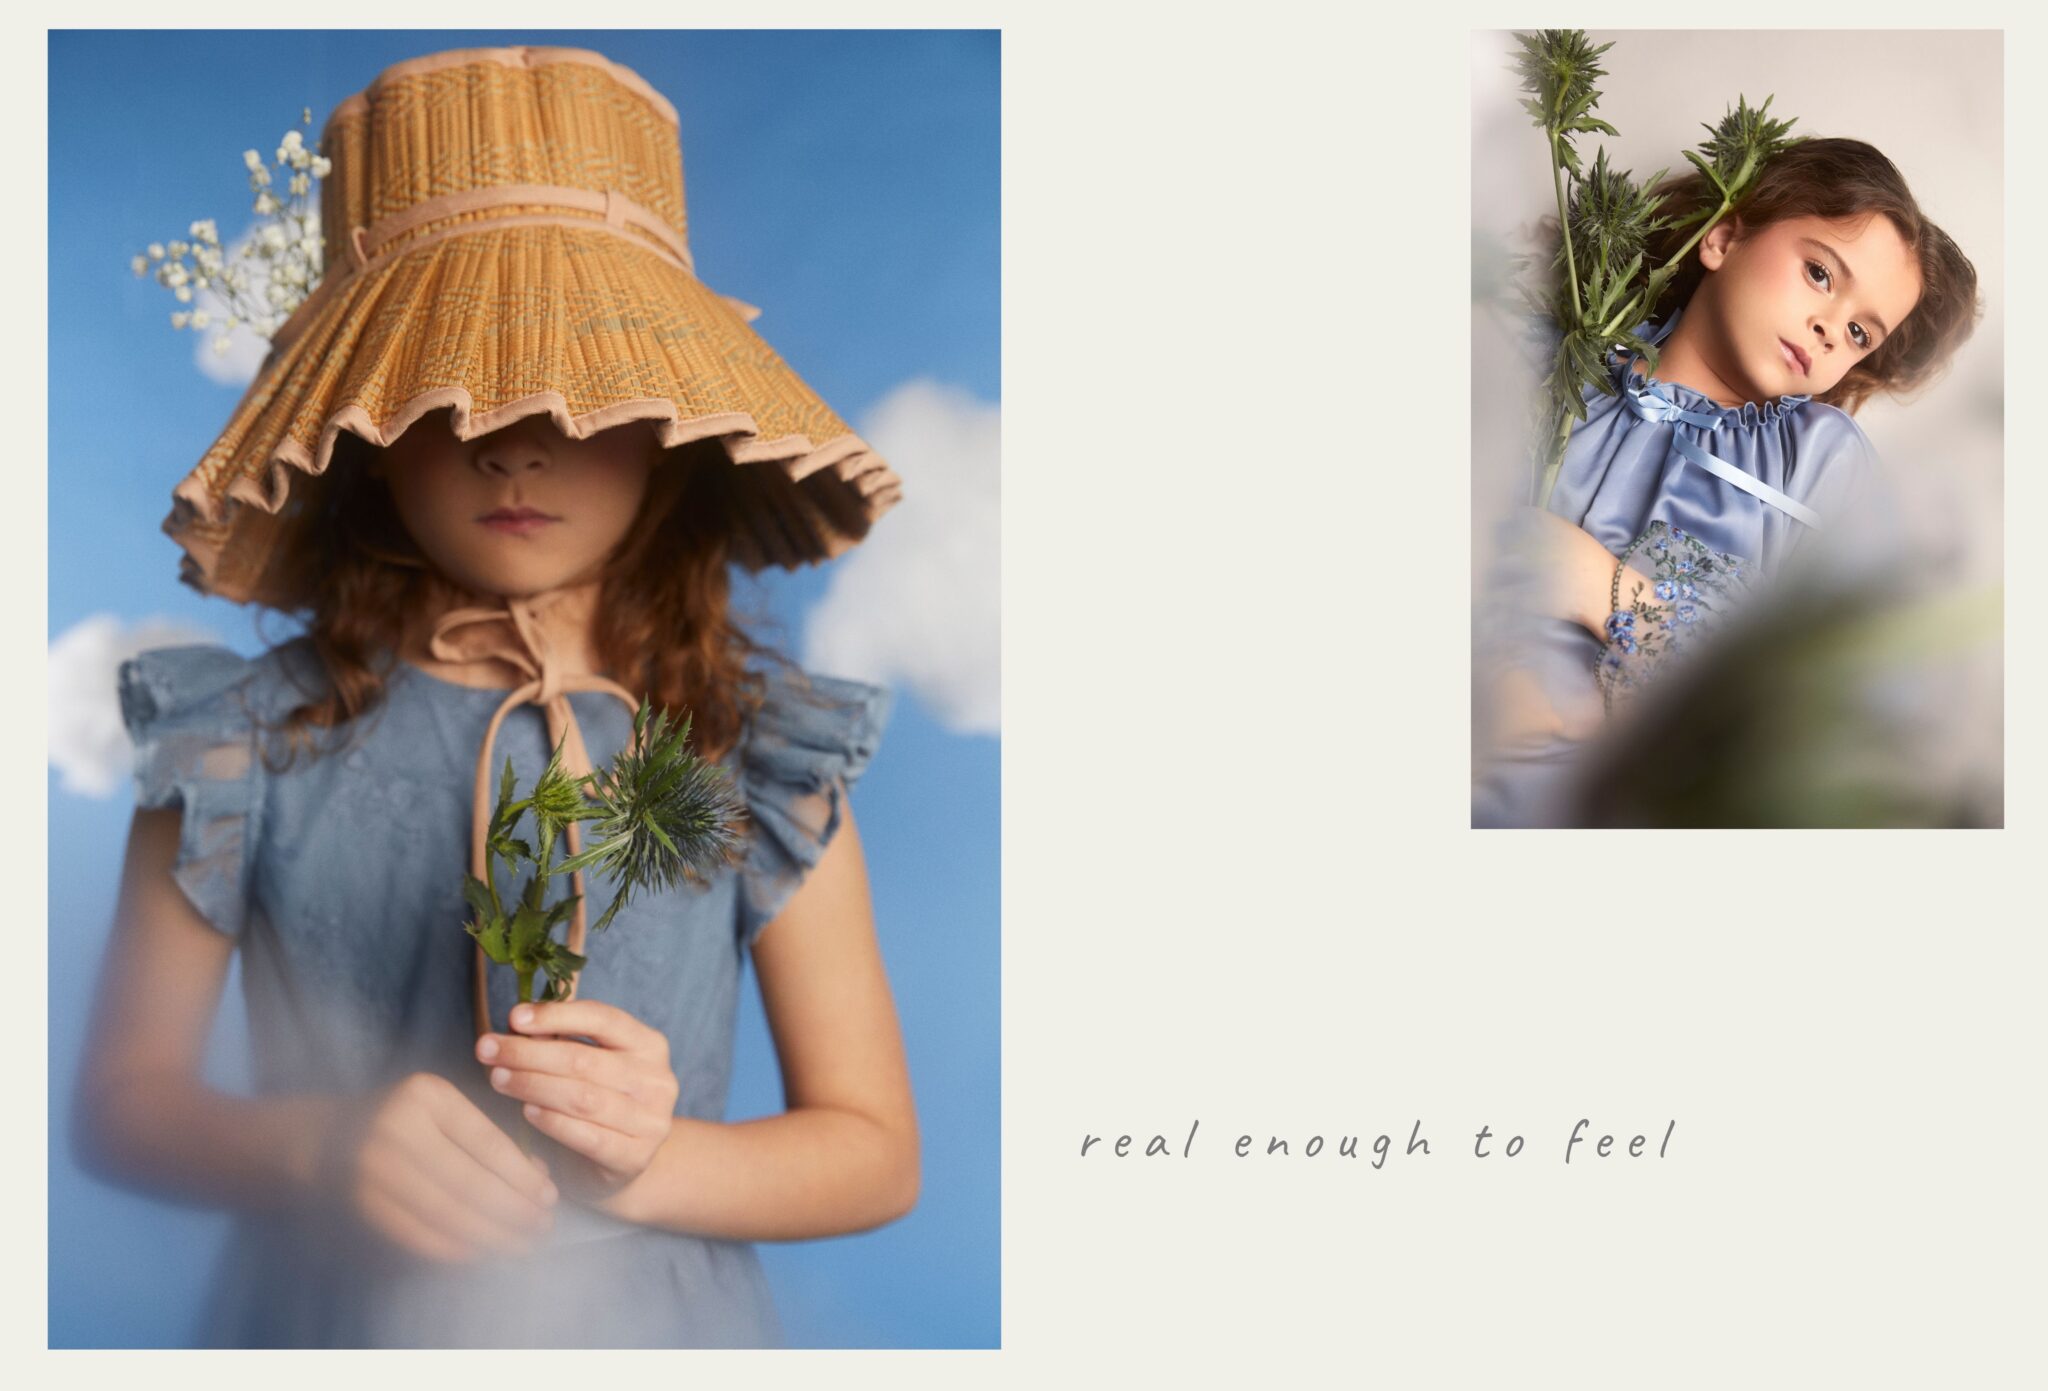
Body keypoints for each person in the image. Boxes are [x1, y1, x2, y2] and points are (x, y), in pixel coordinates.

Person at [72, 45, 919, 1347]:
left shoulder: (755, 747)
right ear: (366, 421)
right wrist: (320, 1144)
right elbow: (122, 1108)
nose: (513, 440)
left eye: (578, 388)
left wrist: (655, 1158)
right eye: (451, 383)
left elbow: (873, 1149)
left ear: (670, 426)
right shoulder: (235, 742)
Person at [1472, 137, 1981, 827]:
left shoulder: (1820, 465)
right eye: (1821, 274)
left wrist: (1608, 590)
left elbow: (1849, 714)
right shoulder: (1549, 359)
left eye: (1862, 332)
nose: (1832, 328)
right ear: (1725, 237)